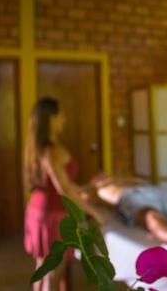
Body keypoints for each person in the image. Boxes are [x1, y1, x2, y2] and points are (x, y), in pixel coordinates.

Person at [23, 97, 105, 291]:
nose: (64, 119)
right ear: (51, 118)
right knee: (52, 274)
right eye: (61, 115)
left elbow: (62, 184)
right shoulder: (51, 150)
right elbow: (64, 190)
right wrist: (93, 212)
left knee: (42, 268)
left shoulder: (39, 147)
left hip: (40, 211)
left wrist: (82, 188)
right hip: (52, 216)